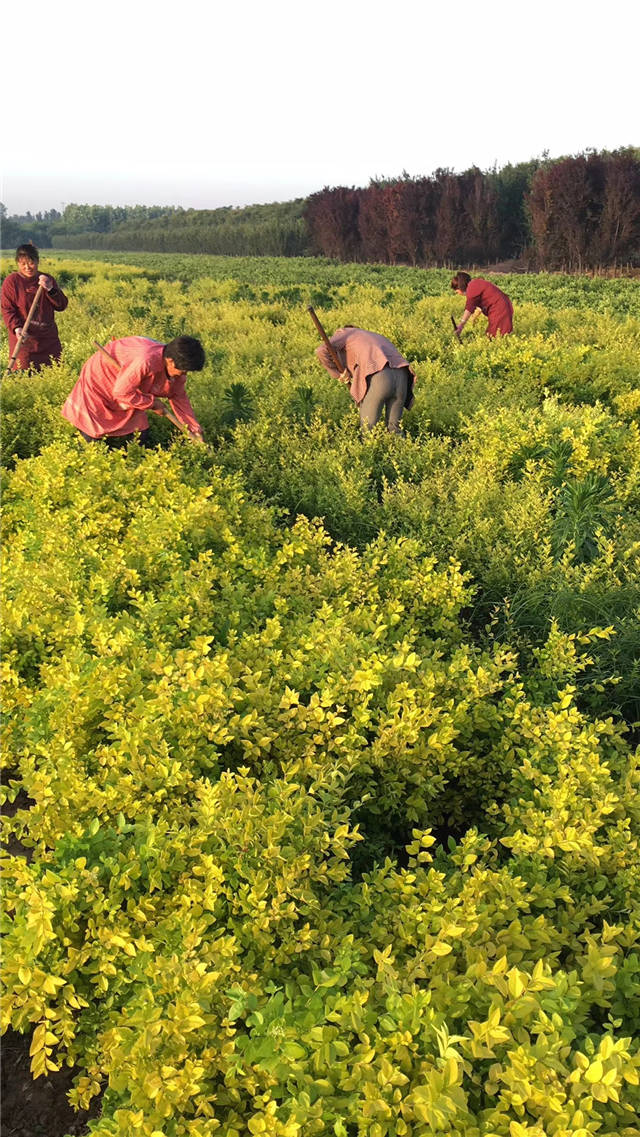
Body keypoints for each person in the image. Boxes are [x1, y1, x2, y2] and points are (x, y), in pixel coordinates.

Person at [62, 335, 206, 445]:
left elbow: (178, 396)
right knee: (92, 432)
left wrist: (194, 429)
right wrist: (152, 403)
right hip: (102, 377)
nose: (184, 374)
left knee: (140, 433)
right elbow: (122, 392)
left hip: (127, 382)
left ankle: (131, 460)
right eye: (183, 371)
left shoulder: (176, 368)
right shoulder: (145, 361)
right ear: (170, 361)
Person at [316, 325, 416, 434]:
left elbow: (321, 350)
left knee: (368, 429)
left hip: (380, 376)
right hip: (402, 376)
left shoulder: (346, 332)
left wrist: (337, 374)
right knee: (395, 430)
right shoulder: (372, 335)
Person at [1, 243, 68, 371]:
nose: (27, 267)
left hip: (48, 340)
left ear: (37, 261)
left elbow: (61, 305)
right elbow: (7, 309)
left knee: (54, 372)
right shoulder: (12, 281)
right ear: (18, 264)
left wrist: (50, 288)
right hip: (24, 340)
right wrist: (17, 328)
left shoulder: (47, 279)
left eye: (31, 263)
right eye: (23, 264)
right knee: (23, 375)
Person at [451, 272, 513, 338]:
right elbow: (480, 304)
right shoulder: (475, 284)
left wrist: (461, 325)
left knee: (494, 335)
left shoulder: (471, 288)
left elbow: (469, 308)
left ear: (460, 287)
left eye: (457, 291)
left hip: (499, 309)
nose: (457, 293)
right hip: (503, 306)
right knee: (494, 334)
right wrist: (473, 318)